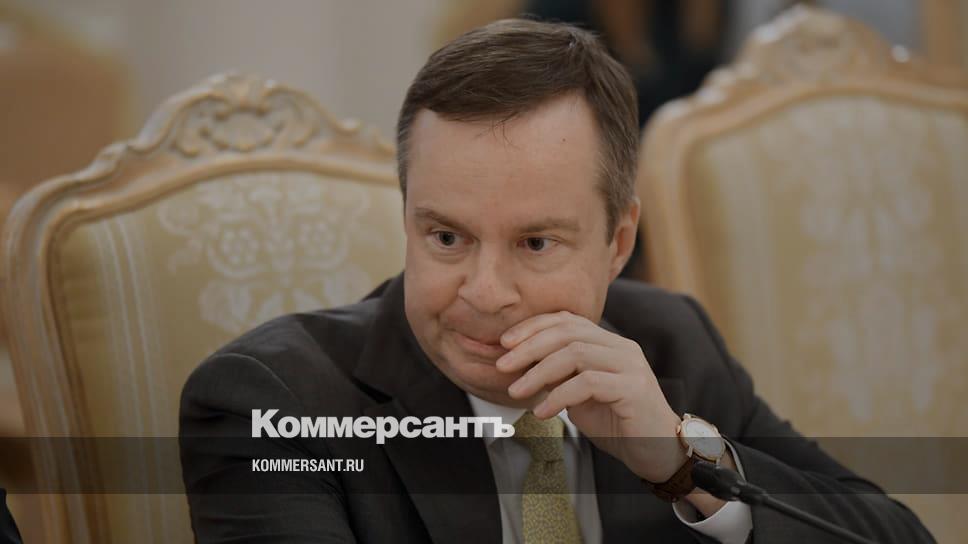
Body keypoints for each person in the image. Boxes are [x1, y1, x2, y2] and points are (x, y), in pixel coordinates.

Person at [180, 19, 933, 543]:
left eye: (536, 243)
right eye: (447, 237)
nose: (485, 292)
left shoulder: (671, 343)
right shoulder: (274, 402)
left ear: (618, 242)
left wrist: (682, 468)